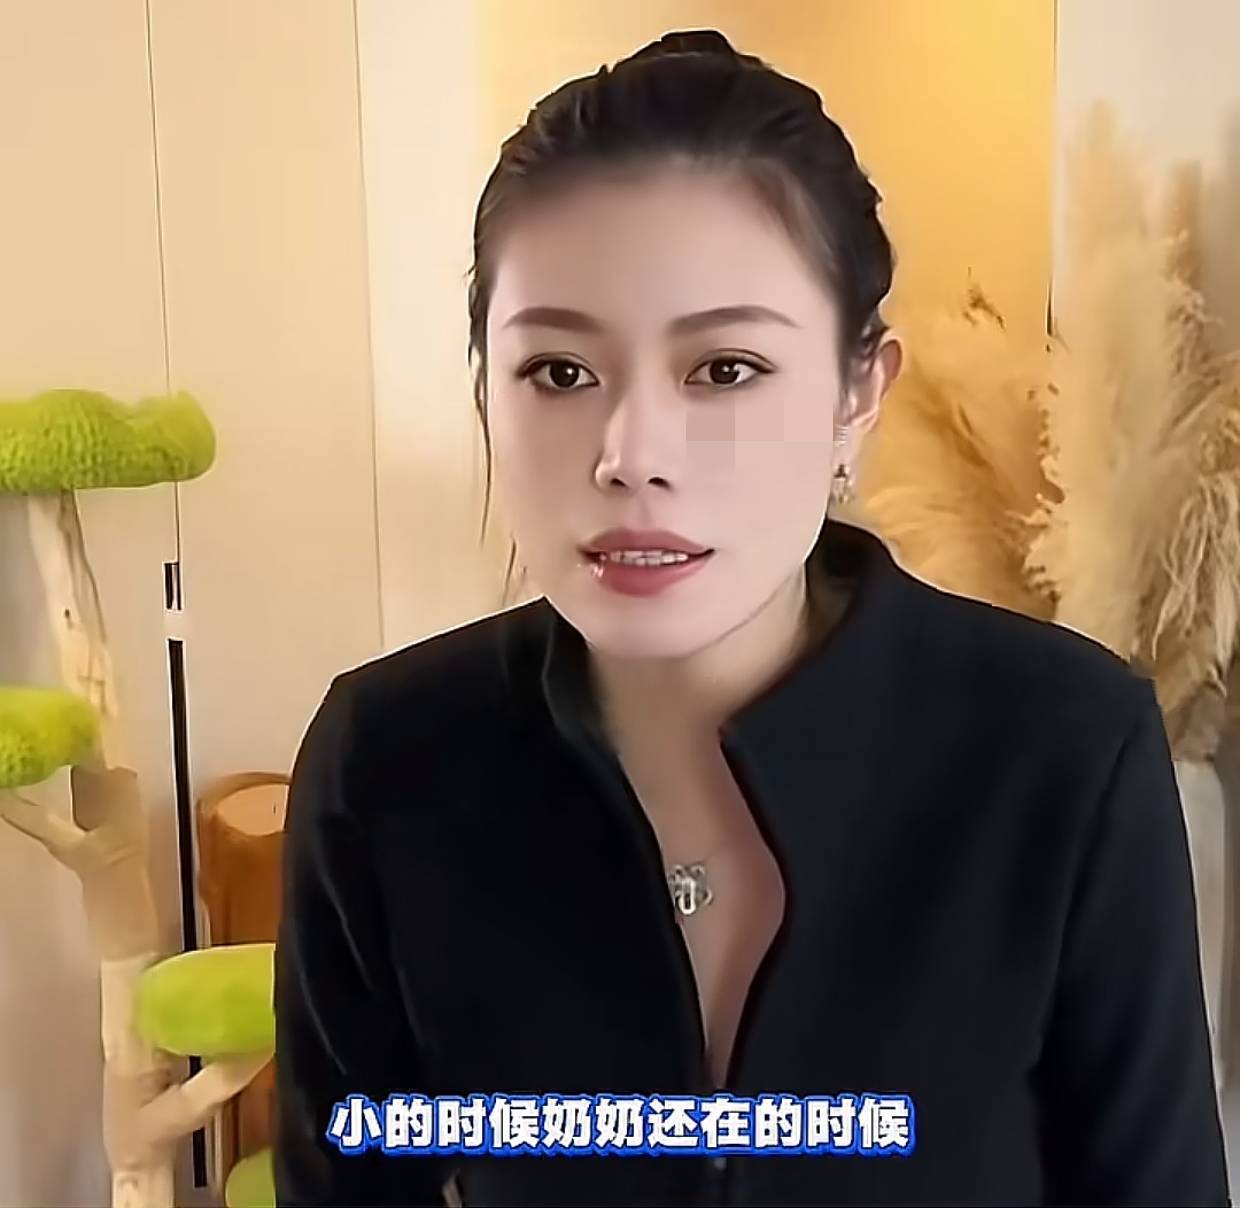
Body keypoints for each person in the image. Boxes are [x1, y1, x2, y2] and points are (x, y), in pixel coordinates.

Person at [272, 29, 1230, 1208]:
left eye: (723, 368)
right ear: (485, 390)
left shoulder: (1062, 749)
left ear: (856, 394)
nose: (632, 454)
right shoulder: (388, 758)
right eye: (559, 371)